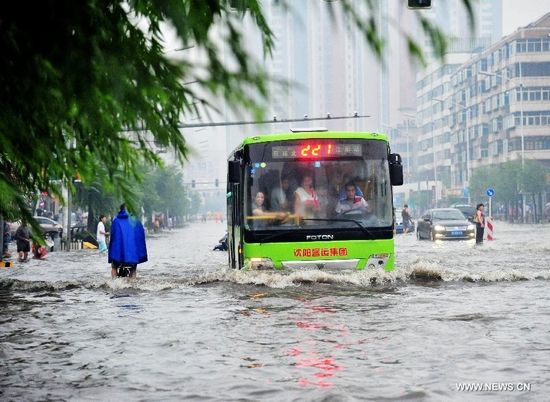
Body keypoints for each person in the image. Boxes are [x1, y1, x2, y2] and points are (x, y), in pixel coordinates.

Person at [108, 204, 148, 278]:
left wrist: (112, 252)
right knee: (133, 269)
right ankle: (132, 283)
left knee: (114, 267)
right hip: (132, 254)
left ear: (121, 210)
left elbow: (113, 237)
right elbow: (140, 237)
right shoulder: (136, 221)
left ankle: (114, 283)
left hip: (118, 254)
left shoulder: (116, 221)